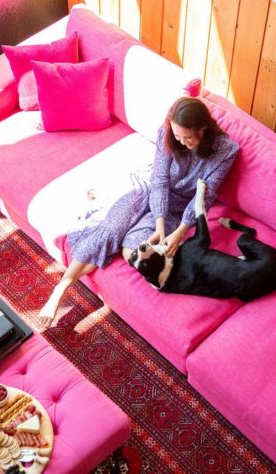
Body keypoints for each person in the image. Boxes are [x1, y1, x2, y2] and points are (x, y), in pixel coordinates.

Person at [38, 97, 240, 328]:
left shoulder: (225, 151)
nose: (182, 142)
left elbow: (204, 196)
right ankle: (61, 287)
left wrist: (181, 229)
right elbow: (160, 180)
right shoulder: (167, 132)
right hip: (150, 187)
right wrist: (160, 224)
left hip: (181, 206)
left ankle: (124, 235)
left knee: (131, 248)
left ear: (203, 128)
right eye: (177, 136)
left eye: (188, 137)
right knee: (110, 229)